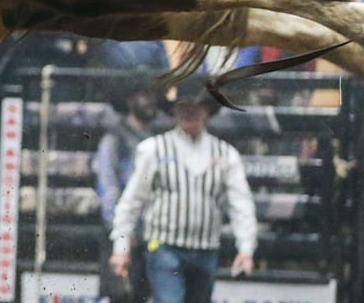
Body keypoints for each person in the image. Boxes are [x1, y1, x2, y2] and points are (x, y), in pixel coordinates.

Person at [109, 81, 256, 303]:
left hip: (206, 249)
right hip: (163, 246)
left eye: (196, 107)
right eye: (184, 107)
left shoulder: (226, 154)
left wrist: (246, 249)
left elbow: (240, 204)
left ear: (207, 111)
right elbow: (132, 200)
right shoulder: (154, 149)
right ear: (175, 111)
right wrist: (120, 247)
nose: (190, 113)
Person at [95, 87, 163, 303]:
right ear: (130, 99)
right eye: (144, 95)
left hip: (149, 233)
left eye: (152, 95)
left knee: (143, 295)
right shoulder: (114, 139)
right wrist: (119, 229)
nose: (150, 101)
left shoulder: (155, 140)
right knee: (120, 293)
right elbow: (107, 186)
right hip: (122, 229)